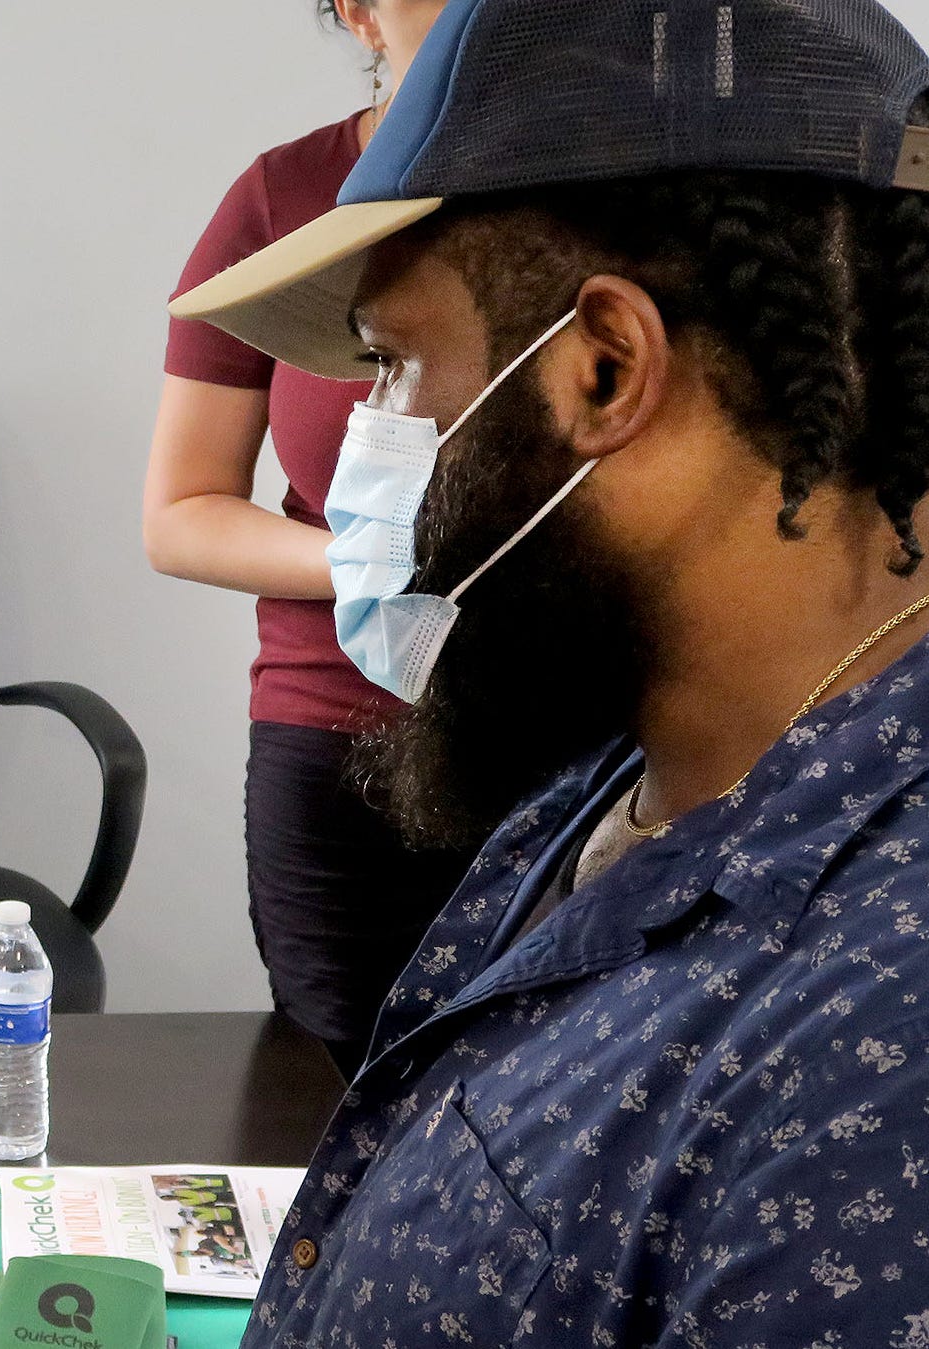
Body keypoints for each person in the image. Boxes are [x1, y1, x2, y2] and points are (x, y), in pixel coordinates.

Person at [169, 0, 929, 1341]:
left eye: (394, 368)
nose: (361, 457)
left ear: (601, 367)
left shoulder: (876, 1057)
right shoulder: (619, 773)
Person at [143, 0, 467, 1078]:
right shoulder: (283, 198)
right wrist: (374, 570)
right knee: (338, 1104)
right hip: (335, 746)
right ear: (355, 12)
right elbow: (180, 512)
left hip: (559, 749)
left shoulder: (606, 206)